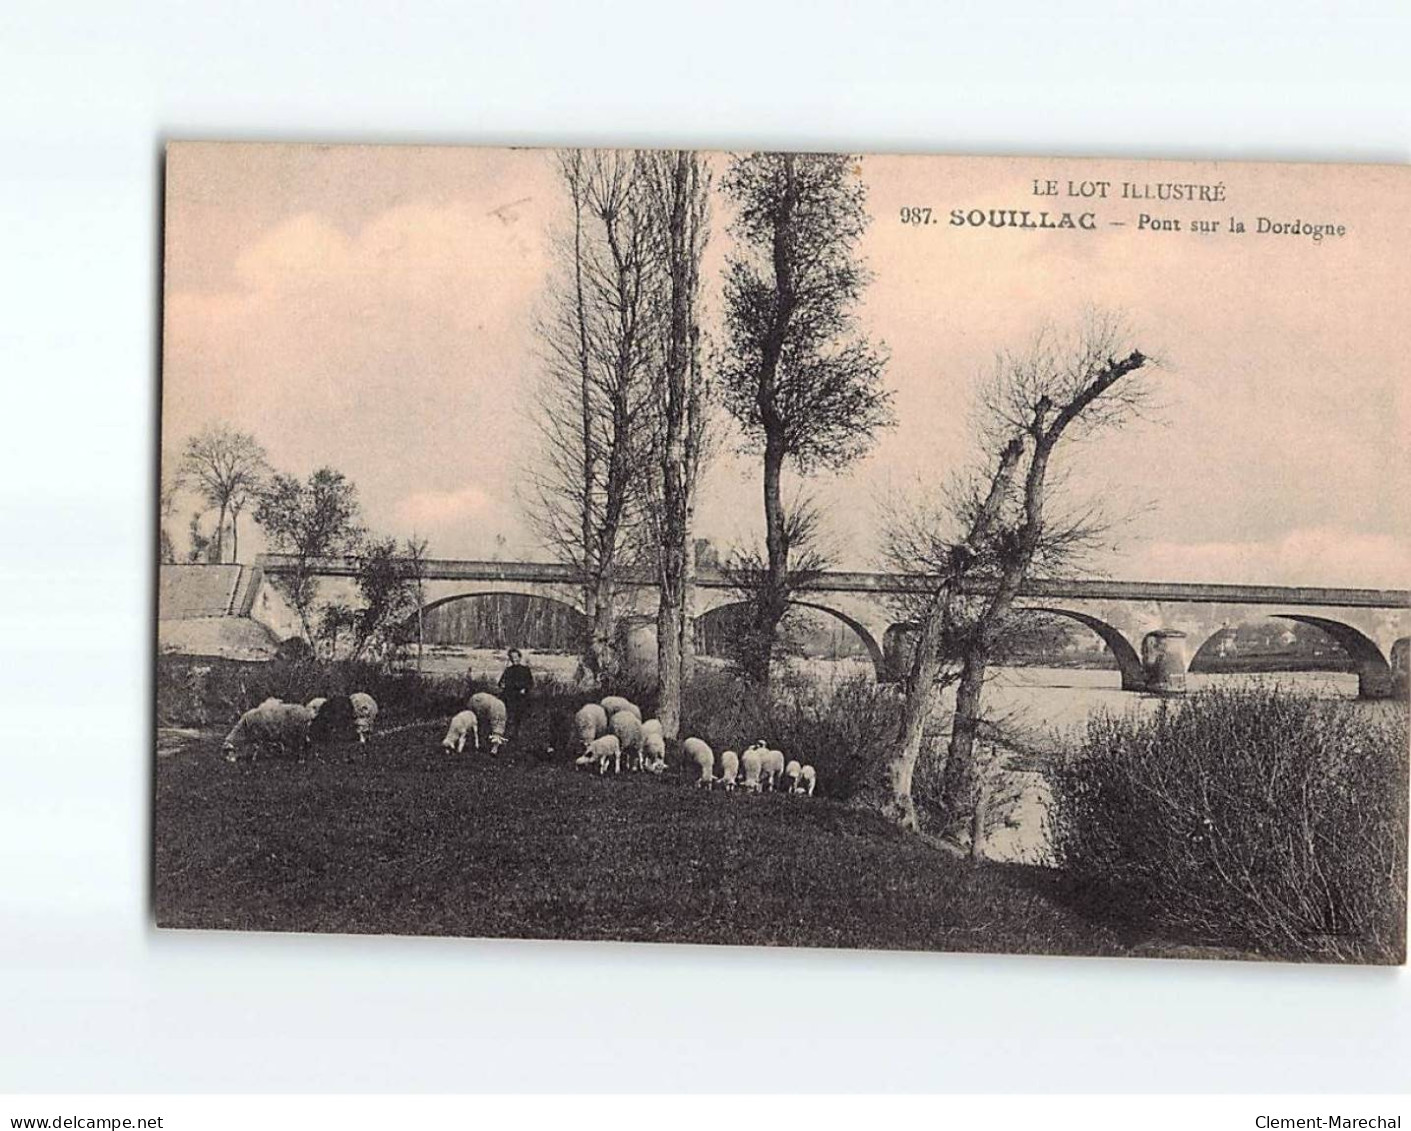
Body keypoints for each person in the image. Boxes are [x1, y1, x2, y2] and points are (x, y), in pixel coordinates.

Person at [498, 648, 534, 743]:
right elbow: (500, 683)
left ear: (520, 657)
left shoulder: (525, 670)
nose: (514, 659)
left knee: (519, 717)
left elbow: (530, 683)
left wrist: (525, 689)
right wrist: (502, 685)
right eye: (512, 657)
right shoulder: (508, 670)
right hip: (509, 696)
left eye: (516, 657)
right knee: (507, 716)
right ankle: (506, 735)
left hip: (521, 697)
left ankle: (517, 735)